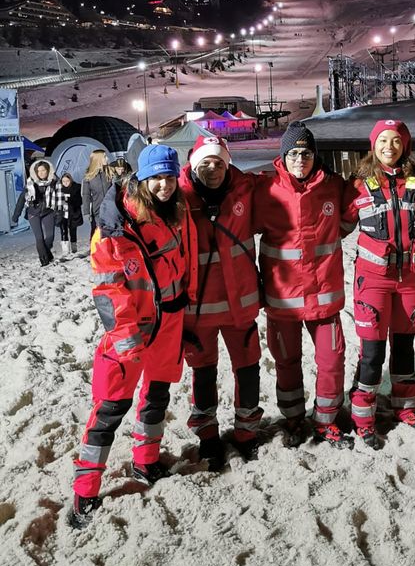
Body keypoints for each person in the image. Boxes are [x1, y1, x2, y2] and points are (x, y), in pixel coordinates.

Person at [70, 144, 198, 529]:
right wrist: (125, 336)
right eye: (156, 177)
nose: (164, 185)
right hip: (131, 332)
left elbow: (182, 264)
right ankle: (86, 489)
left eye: (169, 177)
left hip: (170, 321)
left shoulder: (175, 210)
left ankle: (146, 460)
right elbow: (107, 289)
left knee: (156, 397)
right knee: (109, 409)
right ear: (141, 178)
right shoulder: (113, 227)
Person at [254, 121, 354, 450]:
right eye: (294, 153)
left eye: (307, 153)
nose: (300, 159)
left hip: (324, 298)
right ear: (283, 157)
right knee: (286, 362)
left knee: (332, 359)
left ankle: (326, 419)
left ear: (315, 156)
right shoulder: (266, 191)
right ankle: (294, 418)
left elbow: (350, 216)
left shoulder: (333, 186)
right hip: (283, 300)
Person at [347, 119, 415, 449]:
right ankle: (362, 416)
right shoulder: (356, 184)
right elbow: (333, 223)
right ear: (374, 145)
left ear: (405, 146)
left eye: (396, 141)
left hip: (412, 280)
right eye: (383, 140)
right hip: (373, 282)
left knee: (403, 346)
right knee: (372, 353)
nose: (389, 147)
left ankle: (405, 408)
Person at [179, 135, 262, 467]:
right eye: (205, 163)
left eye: (219, 162)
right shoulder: (178, 197)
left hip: (240, 304)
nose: (212, 168)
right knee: (203, 373)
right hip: (198, 310)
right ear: (193, 164)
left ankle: (246, 433)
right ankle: (208, 437)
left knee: (248, 370)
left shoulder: (245, 190)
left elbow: (283, 183)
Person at [12, 159, 58, 266]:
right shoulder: (30, 184)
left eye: (43, 170)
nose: (41, 173)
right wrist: (16, 215)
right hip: (33, 213)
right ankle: (44, 260)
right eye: (39, 171)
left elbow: (61, 197)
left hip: (48, 211)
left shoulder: (54, 182)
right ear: (36, 172)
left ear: (48, 171)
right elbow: (21, 200)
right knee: (39, 238)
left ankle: (47, 252)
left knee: (50, 236)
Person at [82, 149, 112, 234]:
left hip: (111, 209)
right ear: (98, 159)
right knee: (101, 233)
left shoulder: (110, 172)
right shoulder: (88, 177)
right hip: (98, 210)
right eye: (104, 157)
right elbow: (86, 195)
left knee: (112, 233)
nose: (107, 159)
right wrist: (86, 212)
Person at [55, 171, 83, 255]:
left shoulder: (76, 187)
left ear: (70, 180)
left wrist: (71, 202)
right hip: (62, 213)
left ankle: (74, 248)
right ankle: (65, 250)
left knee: (73, 230)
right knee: (63, 230)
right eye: (63, 181)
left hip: (73, 213)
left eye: (67, 181)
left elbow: (79, 200)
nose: (65, 183)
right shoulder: (59, 189)